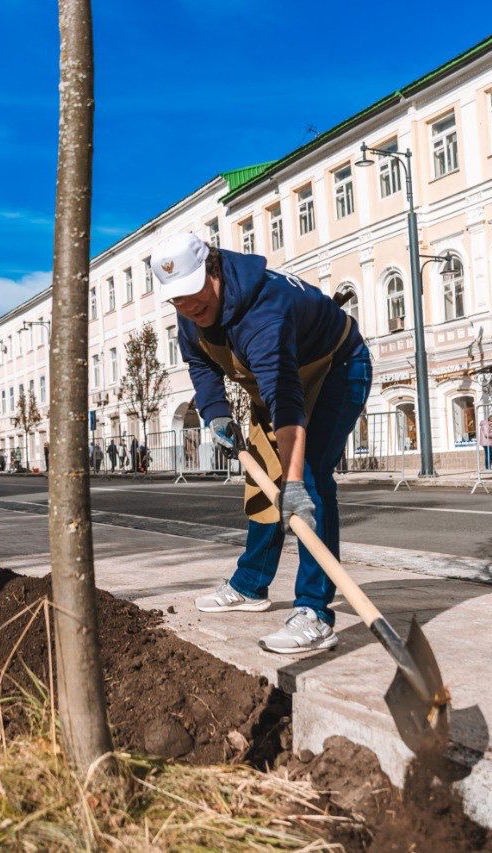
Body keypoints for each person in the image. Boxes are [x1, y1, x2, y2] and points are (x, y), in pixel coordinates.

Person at [156, 232, 370, 654]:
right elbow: (199, 362)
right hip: (272, 384)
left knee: (305, 481)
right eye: (178, 299)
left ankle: (314, 611)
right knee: (263, 485)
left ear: (214, 270)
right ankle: (251, 585)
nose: (189, 308)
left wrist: (292, 482)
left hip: (336, 369)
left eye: (196, 295)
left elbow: (287, 402)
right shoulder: (189, 312)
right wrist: (215, 410)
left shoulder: (263, 311)